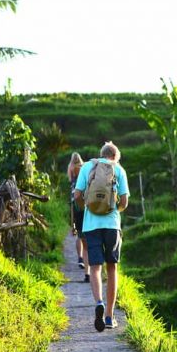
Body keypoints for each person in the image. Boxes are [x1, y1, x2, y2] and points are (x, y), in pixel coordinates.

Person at [74, 141, 129, 332]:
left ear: (102, 154)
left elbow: (77, 195)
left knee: (95, 267)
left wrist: (87, 207)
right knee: (112, 268)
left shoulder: (88, 166)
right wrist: (115, 210)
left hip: (91, 225)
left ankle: (99, 302)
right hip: (112, 225)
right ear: (115, 157)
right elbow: (124, 201)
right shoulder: (119, 169)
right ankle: (109, 317)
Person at [67, 152, 90, 282]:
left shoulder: (71, 167)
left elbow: (70, 180)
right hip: (84, 197)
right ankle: (89, 267)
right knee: (87, 236)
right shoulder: (84, 167)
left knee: (79, 233)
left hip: (74, 196)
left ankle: (80, 257)